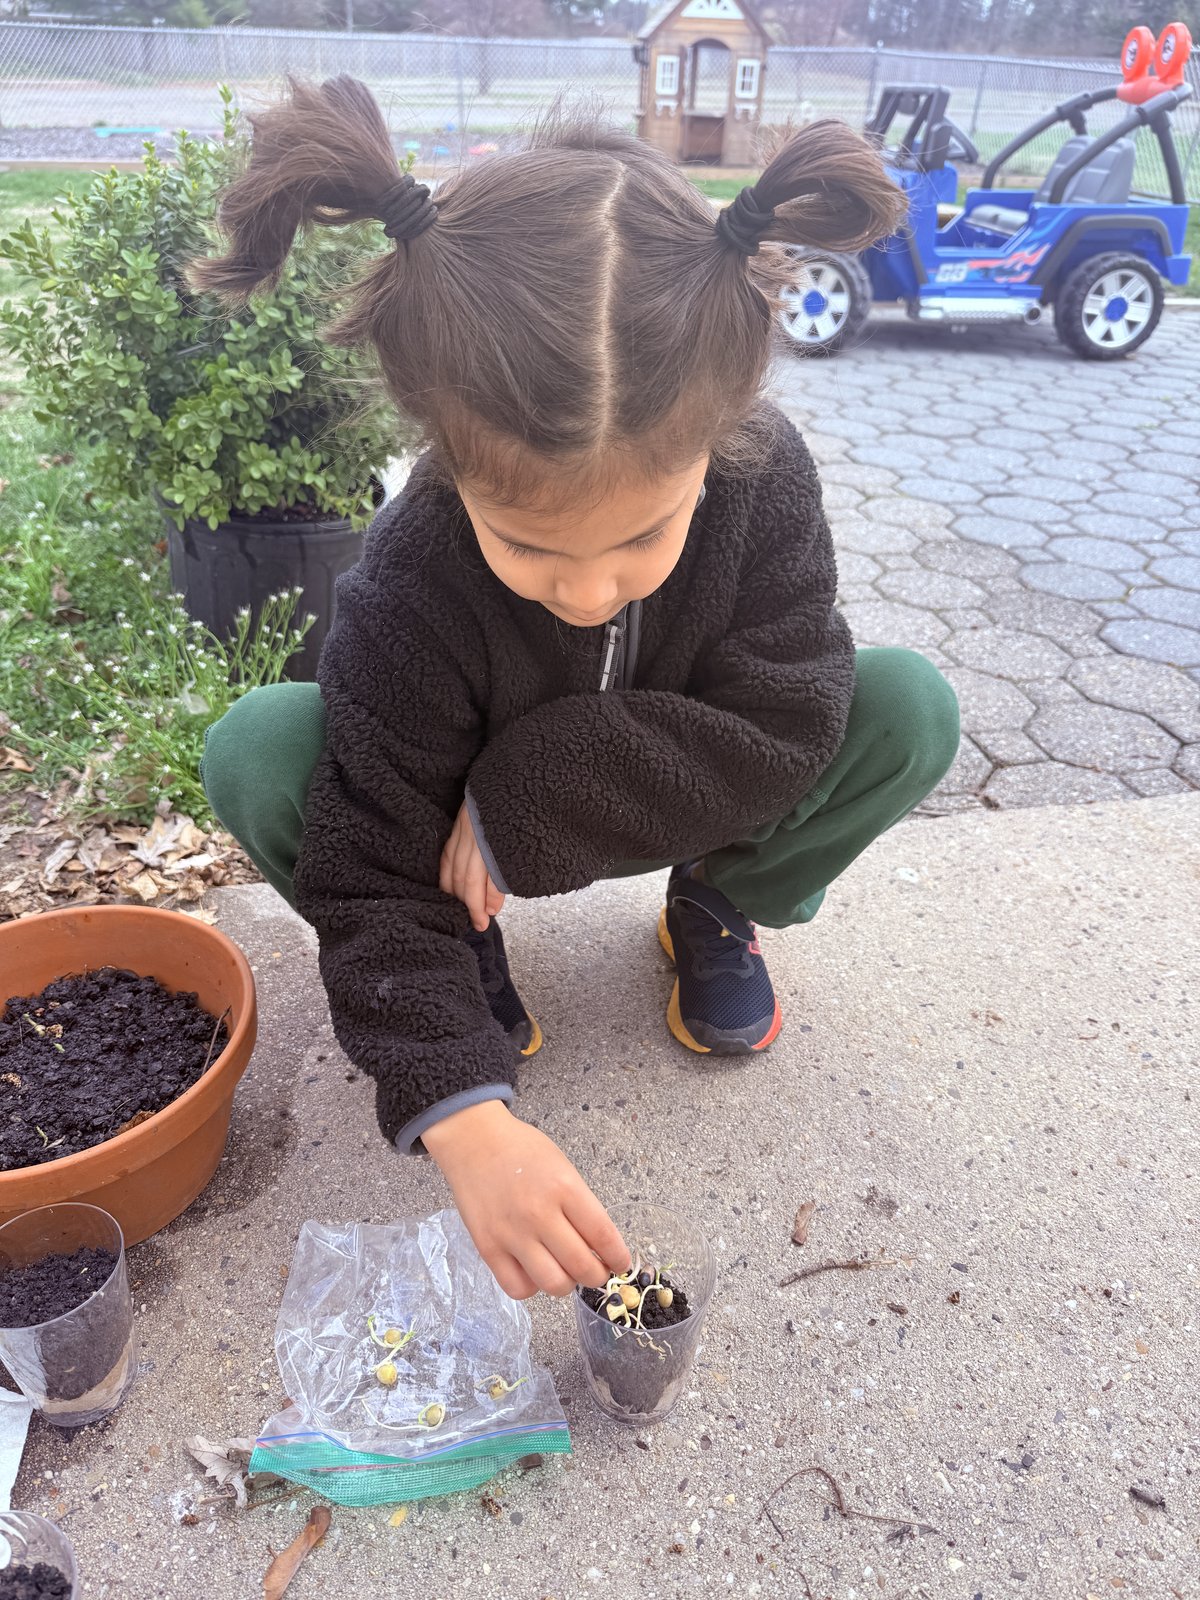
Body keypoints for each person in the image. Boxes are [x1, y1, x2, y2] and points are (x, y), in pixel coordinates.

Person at [193, 76, 960, 1306]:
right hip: (445, 856)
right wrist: (461, 1111)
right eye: (532, 548)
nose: (591, 592)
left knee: (905, 708)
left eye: (643, 535)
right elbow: (369, 855)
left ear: (721, 434)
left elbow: (792, 718)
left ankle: (716, 904)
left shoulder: (766, 486)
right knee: (264, 749)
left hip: (655, 801)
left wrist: (520, 797)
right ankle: (465, 961)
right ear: (446, 467)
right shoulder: (413, 564)